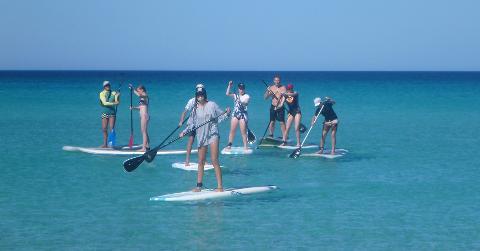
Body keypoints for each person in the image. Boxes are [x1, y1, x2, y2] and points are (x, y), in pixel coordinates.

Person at [179, 87, 230, 192]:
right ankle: (199, 186)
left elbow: (222, 116)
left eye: (201, 94)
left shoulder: (212, 105)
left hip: (213, 134)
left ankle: (220, 187)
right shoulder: (194, 109)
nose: (200, 96)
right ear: (196, 96)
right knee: (201, 161)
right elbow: (191, 124)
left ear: (205, 94)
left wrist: (227, 113)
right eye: (198, 94)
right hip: (201, 136)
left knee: (214, 160)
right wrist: (184, 132)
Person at [178, 83, 204, 166]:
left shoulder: (206, 101)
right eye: (198, 91)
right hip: (192, 123)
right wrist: (181, 121)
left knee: (203, 143)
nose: (200, 93)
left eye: (201, 91)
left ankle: (203, 160)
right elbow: (185, 112)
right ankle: (187, 161)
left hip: (201, 124)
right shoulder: (192, 101)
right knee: (191, 141)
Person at [225, 81, 250, 150]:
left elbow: (246, 103)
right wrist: (229, 85)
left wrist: (240, 101)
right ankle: (229, 144)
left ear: (244, 89)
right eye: (240, 88)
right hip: (235, 114)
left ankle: (245, 146)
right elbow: (227, 94)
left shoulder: (246, 96)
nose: (241, 90)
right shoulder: (235, 95)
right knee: (232, 130)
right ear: (238, 89)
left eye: (242, 88)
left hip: (243, 115)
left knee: (243, 132)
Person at [129, 84, 150, 151]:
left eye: (139, 90)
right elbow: (141, 107)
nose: (138, 92)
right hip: (143, 115)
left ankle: (144, 148)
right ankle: (147, 145)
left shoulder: (145, 96)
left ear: (142, 90)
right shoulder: (142, 97)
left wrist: (133, 89)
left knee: (143, 131)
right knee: (144, 131)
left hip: (144, 116)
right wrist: (133, 108)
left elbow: (139, 95)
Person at [99, 81, 120, 148]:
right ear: (104, 87)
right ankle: (105, 144)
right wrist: (114, 103)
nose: (107, 86)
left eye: (108, 85)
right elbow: (104, 103)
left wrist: (118, 96)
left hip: (112, 113)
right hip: (105, 112)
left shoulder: (114, 93)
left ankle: (112, 144)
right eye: (106, 85)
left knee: (112, 128)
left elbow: (117, 102)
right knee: (104, 129)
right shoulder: (101, 93)